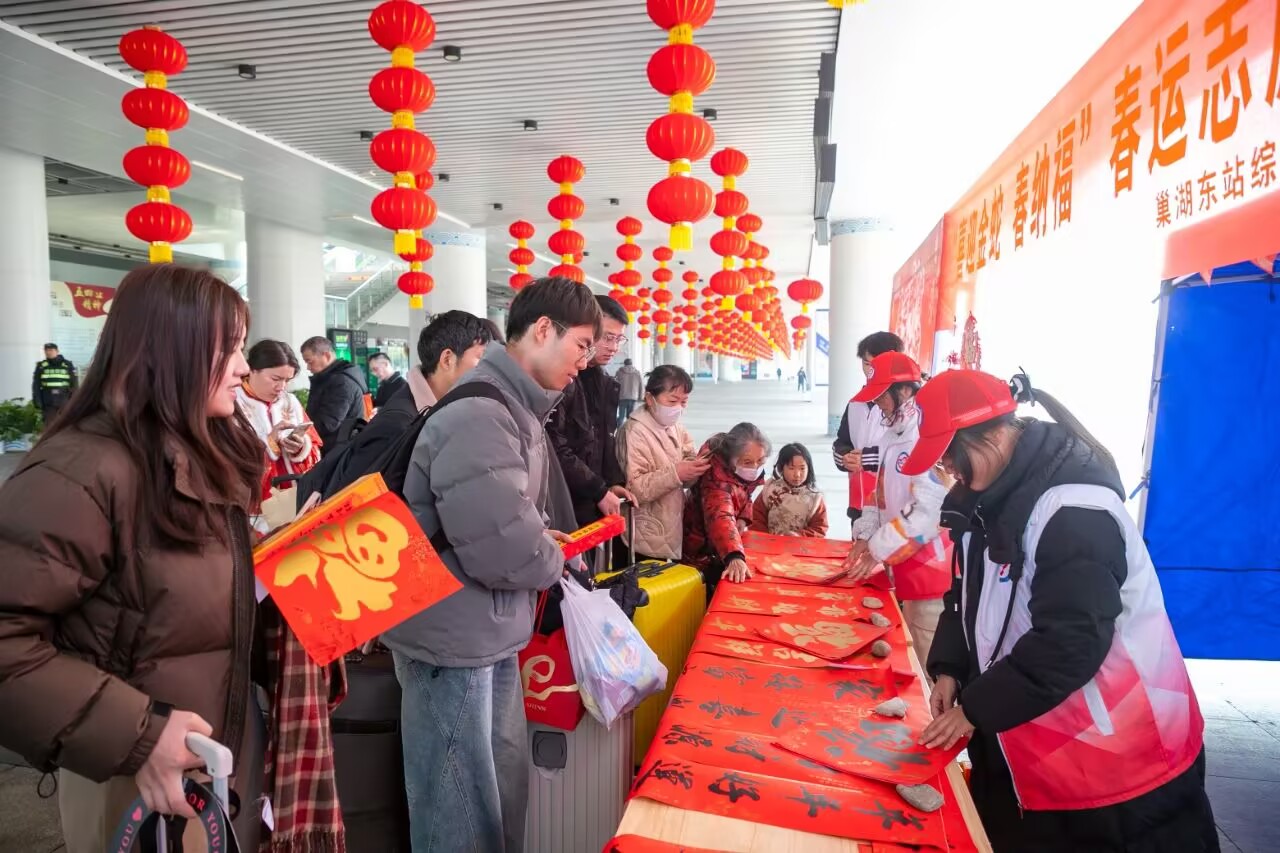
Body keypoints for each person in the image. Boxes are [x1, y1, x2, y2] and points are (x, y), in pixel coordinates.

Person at [0, 265, 343, 853]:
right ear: (171, 350)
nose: (242, 368)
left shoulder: (200, 453)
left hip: (215, 759)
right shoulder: (80, 471)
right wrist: (139, 736)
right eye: (229, 349)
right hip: (133, 778)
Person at [911, 369, 1216, 852]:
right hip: (1036, 745)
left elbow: (1072, 639)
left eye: (950, 453)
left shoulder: (1075, 513)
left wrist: (976, 709)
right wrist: (950, 667)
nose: (947, 468)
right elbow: (963, 594)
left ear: (993, 436)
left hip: (1118, 765)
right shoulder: (983, 501)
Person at [382, 276, 601, 853]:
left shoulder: (513, 405)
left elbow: (504, 516)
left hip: (484, 627)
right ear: (543, 330)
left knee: (491, 794)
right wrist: (550, 556)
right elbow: (499, 546)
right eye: (582, 344)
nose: (586, 361)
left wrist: (538, 537)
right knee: (457, 806)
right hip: (449, 639)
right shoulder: (483, 412)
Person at [298, 311, 497, 502]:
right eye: (480, 357)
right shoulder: (401, 423)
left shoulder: (428, 411)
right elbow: (352, 501)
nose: (487, 368)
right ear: (447, 359)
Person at [839, 352, 950, 666]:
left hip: (931, 571)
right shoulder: (891, 434)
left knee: (929, 660)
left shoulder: (925, 435)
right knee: (908, 647)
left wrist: (877, 548)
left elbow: (929, 512)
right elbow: (879, 493)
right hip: (904, 566)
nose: (878, 404)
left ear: (904, 390)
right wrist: (865, 535)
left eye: (882, 396)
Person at [547, 294, 636, 537]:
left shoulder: (606, 383)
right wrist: (598, 490)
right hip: (564, 500)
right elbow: (555, 446)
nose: (614, 347)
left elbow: (604, 438)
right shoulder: (561, 380)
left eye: (618, 339)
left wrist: (612, 483)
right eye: (607, 337)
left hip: (592, 499)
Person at [616, 365, 707, 561]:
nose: (678, 408)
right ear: (650, 398)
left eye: (684, 402)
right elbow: (634, 489)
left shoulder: (676, 427)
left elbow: (688, 460)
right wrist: (677, 473)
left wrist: (695, 468)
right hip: (644, 533)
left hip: (671, 526)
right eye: (672, 401)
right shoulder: (634, 432)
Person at [683, 422, 770, 589]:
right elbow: (720, 515)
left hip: (718, 548)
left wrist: (743, 518)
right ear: (731, 458)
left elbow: (745, 494)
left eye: (760, 461)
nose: (755, 467)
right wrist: (734, 556)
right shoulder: (715, 477)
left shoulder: (738, 471)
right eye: (747, 462)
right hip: (701, 554)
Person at [236, 340, 321, 509]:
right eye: (275, 378)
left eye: (287, 380)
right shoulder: (233, 401)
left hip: (295, 497)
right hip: (253, 504)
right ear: (252, 369)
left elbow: (315, 448)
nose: (281, 387)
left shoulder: (290, 401)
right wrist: (269, 443)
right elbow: (224, 455)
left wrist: (300, 446)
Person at [832, 331, 904, 522]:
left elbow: (909, 451)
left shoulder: (908, 405)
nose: (871, 371)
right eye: (866, 364)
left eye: (877, 365)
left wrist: (866, 459)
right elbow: (842, 441)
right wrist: (845, 458)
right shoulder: (855, 404)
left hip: (895, 507)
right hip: (859, 504)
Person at [300, 336, 367, 454]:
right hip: (336, 449)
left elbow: (328, 424)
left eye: (310, 362)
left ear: (326, 356)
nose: (308, 367)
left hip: (337, 452)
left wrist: (300, 432)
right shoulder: (332, 378)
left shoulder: (341, 382)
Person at [750, 443, 828, 537]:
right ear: (781, 468)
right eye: (791, 468)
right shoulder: (770, 489)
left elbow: (819, 528)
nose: (797, 474)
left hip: (800, 545)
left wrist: (799, 536)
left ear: (809, 468)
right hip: (770, 543)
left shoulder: (815, 498)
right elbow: (756, 517)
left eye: (802, 468)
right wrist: (765, 538)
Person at [31, 342, 79, 424]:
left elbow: (74, 384)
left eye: (51, 350)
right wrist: (37, 400)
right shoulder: (41, 366)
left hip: (64, 400)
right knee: (50, 425)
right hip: (48, 401)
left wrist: (74, 400)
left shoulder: (67, 365)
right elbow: (36, 385)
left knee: (65, 425)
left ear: (57, 351)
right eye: (46, 350)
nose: (48, 352)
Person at [615, 357, 643, 422]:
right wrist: (640, 396)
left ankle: (619, 428)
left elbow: (615, 385)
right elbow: (641, 385)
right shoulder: (637, 373)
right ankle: (628, 428)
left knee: (621, 416)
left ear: (624, 364)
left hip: (622, 396)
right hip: (633, 397)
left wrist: (614, 396)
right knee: (630, 417)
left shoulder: (619, 372)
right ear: (632, 364)